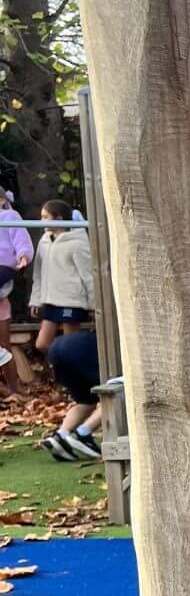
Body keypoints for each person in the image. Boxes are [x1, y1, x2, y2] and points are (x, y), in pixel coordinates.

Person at [29, 197, 94, 358]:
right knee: (42, 343)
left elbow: (88, 275)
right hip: (51, 300)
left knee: (70, 345)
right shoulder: (44, 241)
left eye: (45, 217)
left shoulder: (77, 242)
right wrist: (36, 300)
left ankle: (73, 380)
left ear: (58, 219)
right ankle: (64, 369)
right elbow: (38, 273)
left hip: (71, 301)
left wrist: (94, 304)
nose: (41, 221)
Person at [44, 327, 103, 461]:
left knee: (85, 401)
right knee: (117, 393)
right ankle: (83, 434)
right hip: (82, 349)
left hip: (57, 347)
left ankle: (60, 436)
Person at [0, 187, 33, 395]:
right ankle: (8, 389)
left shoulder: (9, 216)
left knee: (4, 347)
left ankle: (13, 388)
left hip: (3, 269)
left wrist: (23, 256)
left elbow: (21, 239)